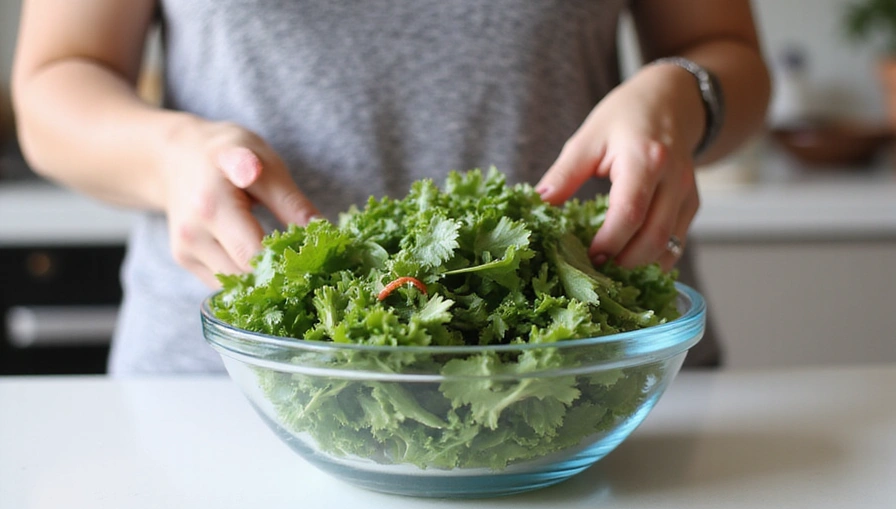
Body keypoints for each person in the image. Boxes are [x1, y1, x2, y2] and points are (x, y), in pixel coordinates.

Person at [11, 1, 770, 375]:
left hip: (584, 372)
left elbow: (727, 53)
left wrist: (682, 92)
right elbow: (52, 83)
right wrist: (170, 153)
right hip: (231, 384)